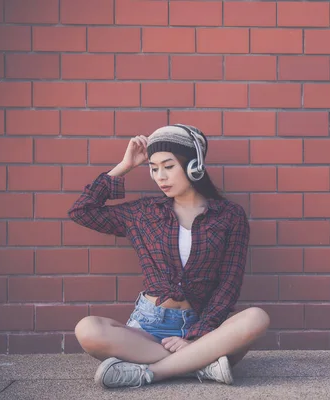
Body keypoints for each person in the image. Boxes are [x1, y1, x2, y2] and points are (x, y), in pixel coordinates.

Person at [67, 124, 270, 389]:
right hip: (148, 329)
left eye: (168, 166)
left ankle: (151, 373)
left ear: (193, 166)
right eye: (153, 168)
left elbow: (228, 284)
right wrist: (125, 165)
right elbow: (82, 211)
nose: (160, 176)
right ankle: (200, 366)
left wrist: (198, 336)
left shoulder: (229, 216)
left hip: (204, 327)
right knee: (87, 329)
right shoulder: (143, 213)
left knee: (257, 318)